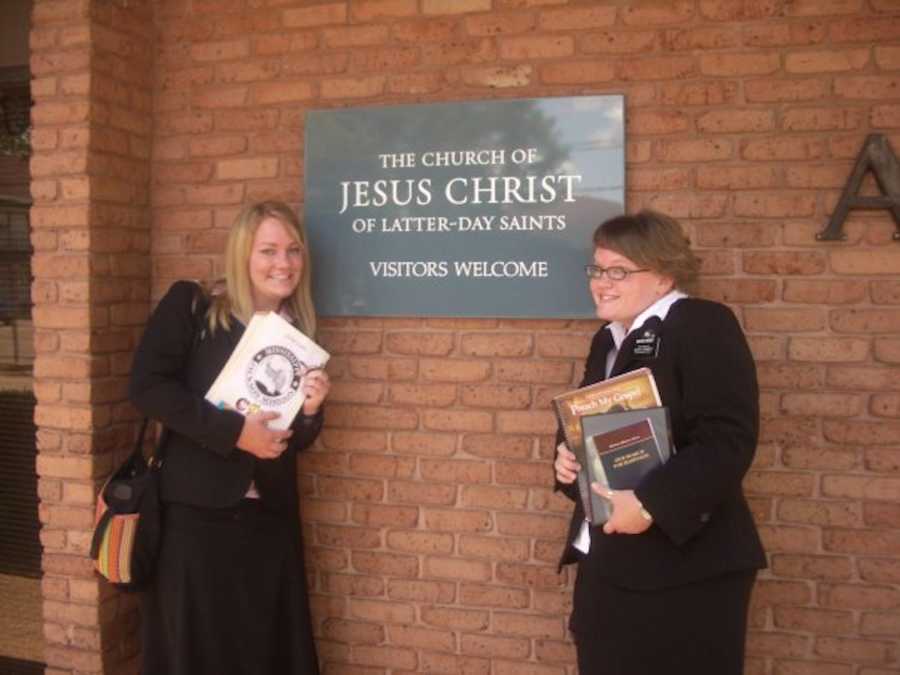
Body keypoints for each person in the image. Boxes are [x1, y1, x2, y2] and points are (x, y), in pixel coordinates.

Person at [554, 210, 766, 675]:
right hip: (609, 560)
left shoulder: (700, 323)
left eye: (619, 272)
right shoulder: (605, 339)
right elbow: (589, 423)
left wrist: (650, 503)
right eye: (597, 269)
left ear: (664, 276)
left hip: (686, 566)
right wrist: (568, 458)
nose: (601, 283)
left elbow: (728, 439)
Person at [129, 200, 330, 675]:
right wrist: (236, 433)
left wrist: (312, 412)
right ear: (243, 255)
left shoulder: (297, 336)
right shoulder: (194, 306)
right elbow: (147, 387)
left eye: (293, 250)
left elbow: (292, 441)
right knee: (198, 653)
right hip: (195, 521)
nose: (283, 263)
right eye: (268, 250)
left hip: (267, 521)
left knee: (264, 652)